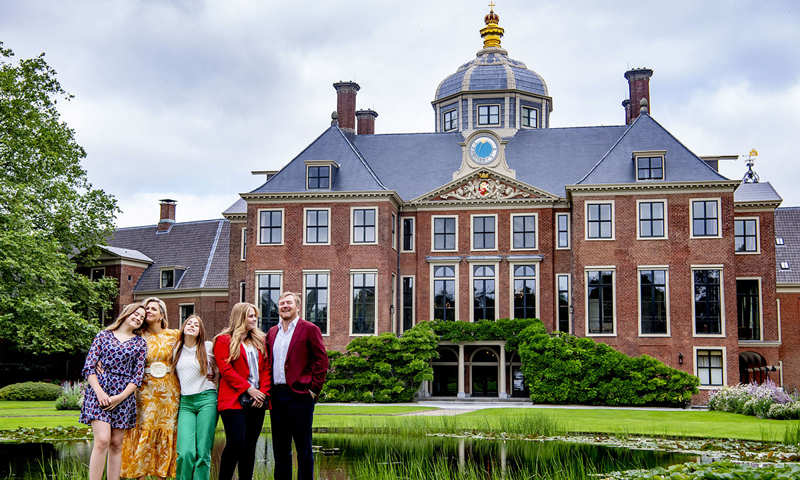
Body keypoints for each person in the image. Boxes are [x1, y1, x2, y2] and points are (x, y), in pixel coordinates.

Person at [80, 303, 147, 480]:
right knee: (102, 440)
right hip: (99, 392)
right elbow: (89, 367)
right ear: (126, 313)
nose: (138, 318)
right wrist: (100, 393)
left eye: (142, 317)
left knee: (117, 444)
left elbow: (137, 376)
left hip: (123, 395)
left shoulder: (140, 343)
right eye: (136, 314)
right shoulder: (103, 336)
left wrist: (121, 397)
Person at [267, 291, 329, 480]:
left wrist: (313, 390)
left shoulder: (309, 329)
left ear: (298, 307)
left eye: (289, 303)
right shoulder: (272, 332)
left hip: (300, 396)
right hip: (277, 397)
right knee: (280, 449)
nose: (285, 306)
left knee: (303, 449)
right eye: (282, 303)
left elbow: (322, 360)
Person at [121, 297, 181, 479]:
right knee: (145, 428)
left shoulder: (175, 335)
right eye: (146, 308)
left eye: (153, 309)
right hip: (144, 392)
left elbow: (196, 349)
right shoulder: (137, 336)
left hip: (169, 392)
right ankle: (139, 474)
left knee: (166, 429)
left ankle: (162, 474)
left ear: (162, 314)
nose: (148, 311)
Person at [213, 302, 270, 480]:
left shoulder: (260, 340)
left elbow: (267, 369)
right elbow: (226, 369)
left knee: (250, 446)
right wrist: (248, 389)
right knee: (236, 443)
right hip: (232, 400)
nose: (254, 319)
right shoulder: (224, 340)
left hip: (257, 400)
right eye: (251, 316)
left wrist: (263, 394)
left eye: (255, 316)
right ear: (240, 317)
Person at [171, 314, 218, 480]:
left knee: (203, 451)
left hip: (207, 400)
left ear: (200, 331)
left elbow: (225, 367)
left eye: (196, 325)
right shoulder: (175, 349)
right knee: (185, 453)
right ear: (183, 327)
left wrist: (217, 377)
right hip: (186, 403)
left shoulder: (208, 347)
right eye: (189, 323)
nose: (191, 325)